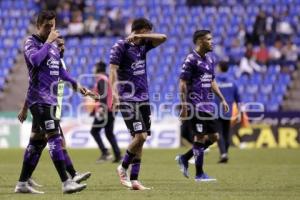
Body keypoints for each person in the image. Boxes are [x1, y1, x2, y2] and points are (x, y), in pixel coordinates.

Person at [14, 10, 93, 194]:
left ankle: (22, 183)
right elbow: (34, 61)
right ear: (38, 26)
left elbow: (60, 72)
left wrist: (78, 86)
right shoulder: (30, 42)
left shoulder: (53, 47)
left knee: (37, 142)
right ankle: (67, 181)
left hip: (50, 100)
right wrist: (49, 42)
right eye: (47, 26)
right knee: (54, 136)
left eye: (53, 26)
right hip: (39, 99)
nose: (51, 29)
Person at [109, 18, 167, 190]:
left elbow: (163, 38)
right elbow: (112, 69)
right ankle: (123, 167)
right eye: (148, 31)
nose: (150, 35)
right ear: (141, 29)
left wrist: (142, 36)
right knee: (140, 136)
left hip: (143, 98)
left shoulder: (143, 45)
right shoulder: (121, 46)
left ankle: (134, 180)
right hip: (128, 98)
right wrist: (115, 94)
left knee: (141, 139)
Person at [176, 30, 229, 181]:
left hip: (208, 106)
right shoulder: (191, 59)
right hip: (195, 105)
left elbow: (211, 81)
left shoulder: (210, 60)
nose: (212, 42)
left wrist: (222, 98)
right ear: (200, 41)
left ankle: (185, 158)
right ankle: (199, 174)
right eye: (209, 39)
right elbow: (182, 83)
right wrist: (184, 106)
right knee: (199, 137)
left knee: (214, 137)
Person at [90, 61, 121, 163]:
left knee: (94, 131)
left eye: (94, 67)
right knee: (109, 133)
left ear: (98, 68)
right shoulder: (107, 78)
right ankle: (118, 155)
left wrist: (101, 109)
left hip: (106, 110)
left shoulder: (101, 79)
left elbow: (103, 95)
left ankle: (105, 153)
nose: (93, 70)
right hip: (112, 109)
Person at [214, 61, 242, 163]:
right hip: (228, 112)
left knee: (218, 133)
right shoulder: (233, 82)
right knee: (226, 134)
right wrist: (239, 113)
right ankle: (225, 153)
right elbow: (238, 99)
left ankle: (223, 154)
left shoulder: (214, 81)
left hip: (216, 111)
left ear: (220, 68)